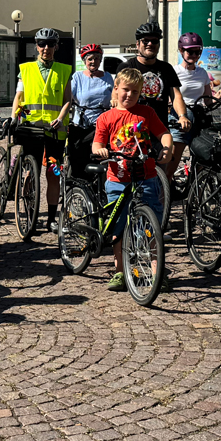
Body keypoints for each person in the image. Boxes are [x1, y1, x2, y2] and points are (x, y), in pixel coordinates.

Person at [92, 69, 172, 293]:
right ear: (116, 89)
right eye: (125, 90)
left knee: (151, 227)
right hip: (118, 179)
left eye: (135, 92)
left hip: (145, 177)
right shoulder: (106, 118)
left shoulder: (146, 113)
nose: (129, 95)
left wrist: (167, 148)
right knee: (119, 226)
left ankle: (157, 272)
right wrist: (101, 151)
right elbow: (97, 144)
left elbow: (164, 134)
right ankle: (120, 270)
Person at [11, 28, 73, 232]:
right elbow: (19, 97)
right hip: (32, 128)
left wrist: (61, 118)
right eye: (42, 44)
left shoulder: (64, 70)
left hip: (55, 130)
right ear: (36, 46)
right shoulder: (26, 69)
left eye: (50, 44)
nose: (46, 48)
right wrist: (13, 117)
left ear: (56, 47)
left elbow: (67, 101)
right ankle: (29, 210)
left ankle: (51, 219)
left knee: (53, 173)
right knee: (31, 170)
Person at [128, 21, 187, 131]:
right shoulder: (127, 66)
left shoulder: (166, 68)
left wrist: (182, 116)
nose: (150, 44)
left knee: (166, 147)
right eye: (145, 41)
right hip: (132, 127)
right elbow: (117, 93)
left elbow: (176, 95)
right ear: (137, 44)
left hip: (159, 127)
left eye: (154, 41)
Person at [171, 32, 214, 172]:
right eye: (190, 51)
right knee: (173, 162)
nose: (194, 55)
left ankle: (194, 190)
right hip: (180, 117)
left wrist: (219, 96)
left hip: (198, 116)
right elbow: (170, 97)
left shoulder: (202, 73)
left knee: (202, 161)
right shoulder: (174, 71)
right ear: (181, 51)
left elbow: (207, 99)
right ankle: (168, 191)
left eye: (197, 52)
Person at [68, 44, 114, 174]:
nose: (94, 62)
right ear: (84, 61)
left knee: (102, 157)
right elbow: (69, 97)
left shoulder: (107, 77)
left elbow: (114, 96)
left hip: (102, 125)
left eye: (97, 59)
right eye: (90, 59)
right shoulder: (78, 77)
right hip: (82, 125)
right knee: (78, 159)